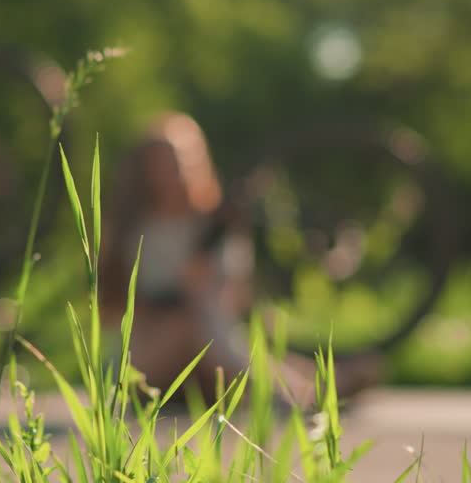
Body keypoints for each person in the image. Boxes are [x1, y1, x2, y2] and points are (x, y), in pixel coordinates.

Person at [100, 112, 333, 407]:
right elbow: (117, 308)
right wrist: (178, 292)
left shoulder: (216, 225)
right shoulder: (135, 230)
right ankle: (294, 396)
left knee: (229, 339)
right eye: (164, 163)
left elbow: (235, 301)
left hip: (213, 350)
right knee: (191, 328)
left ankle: (311, 384)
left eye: (181, 161)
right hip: (150, 355)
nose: (175, 171)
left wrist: (207, 284)